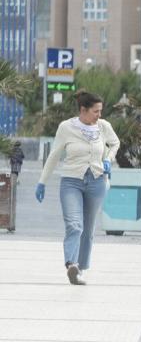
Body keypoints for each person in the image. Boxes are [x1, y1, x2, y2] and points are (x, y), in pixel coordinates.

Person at [35, 90, 120, 285]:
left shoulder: (103, 126)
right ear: (83, 109)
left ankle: (80, 270)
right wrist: (42, 181)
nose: (99, 115)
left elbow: (115, 143)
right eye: (96, 111)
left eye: (100, 111)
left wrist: (108, 159)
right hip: (71, 181)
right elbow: (54, 155)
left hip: (97, 181)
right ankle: (71, 264)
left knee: (88, 229)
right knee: (74, 224)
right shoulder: (66, 127)